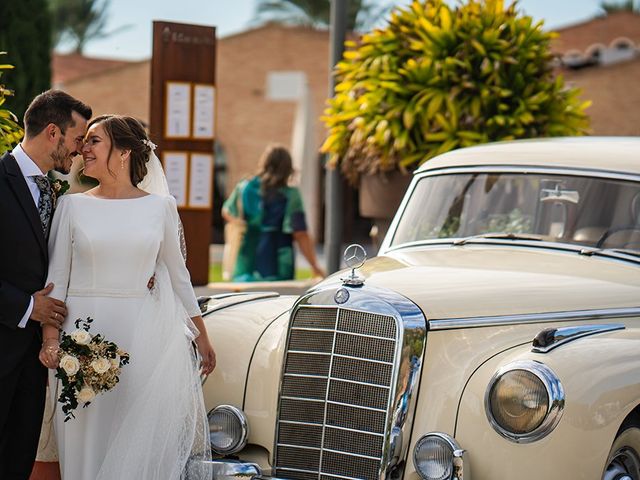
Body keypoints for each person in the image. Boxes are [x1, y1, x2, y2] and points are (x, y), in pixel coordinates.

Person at [38, 115, 216, 480]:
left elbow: (179, 277)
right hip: (81, 340)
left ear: (123, 153)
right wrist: (51, 340)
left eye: (94, 141)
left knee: (136, 442)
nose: (83, 149)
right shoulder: (71, 207)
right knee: (87, 440)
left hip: (142, 338)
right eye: (84, 141)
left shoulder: (160, 207)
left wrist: (202, 334)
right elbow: (56, 279)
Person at [0, 90, 91, 480]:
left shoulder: (57, 193)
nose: (80, 150)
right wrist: (25, 307)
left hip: (35, 362)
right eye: (77, 139)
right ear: (53, 132)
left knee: (17, 462)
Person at [222, 144, 325, 281]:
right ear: (288, 169)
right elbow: (300, 233)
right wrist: (314, 266)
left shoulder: (244, 187)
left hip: (246, 259)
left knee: (245, 300)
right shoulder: (290, 195)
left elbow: (227, 211)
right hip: (277, 261)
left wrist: (247, 225)